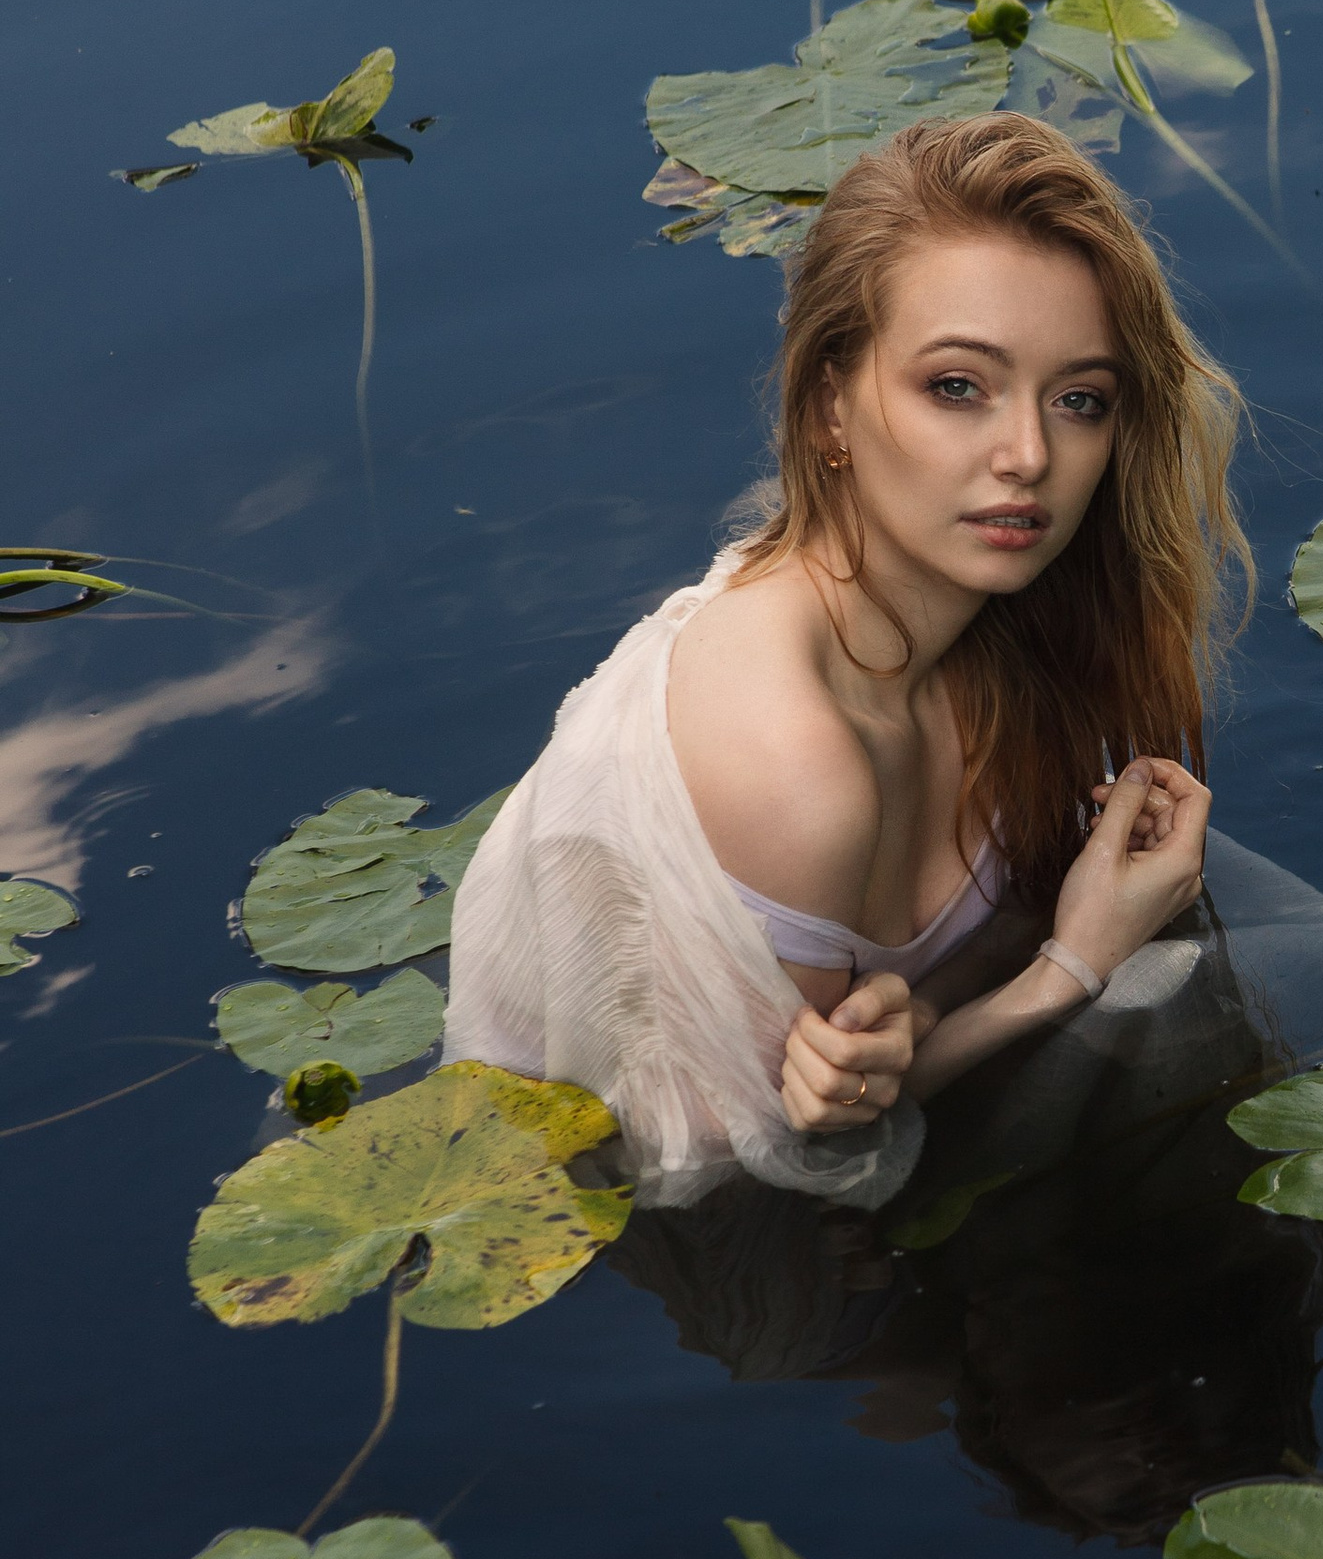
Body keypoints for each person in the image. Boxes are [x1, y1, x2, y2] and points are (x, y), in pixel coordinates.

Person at [444, 113, 1249, 1207]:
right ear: (832, 399)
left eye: (1079, 401)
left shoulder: (973, 633)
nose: (1027, 457)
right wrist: (1065, 970)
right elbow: (754, 1181)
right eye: (956, 387)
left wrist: (919, 1015)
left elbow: (865, 1059)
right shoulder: (796, 763)